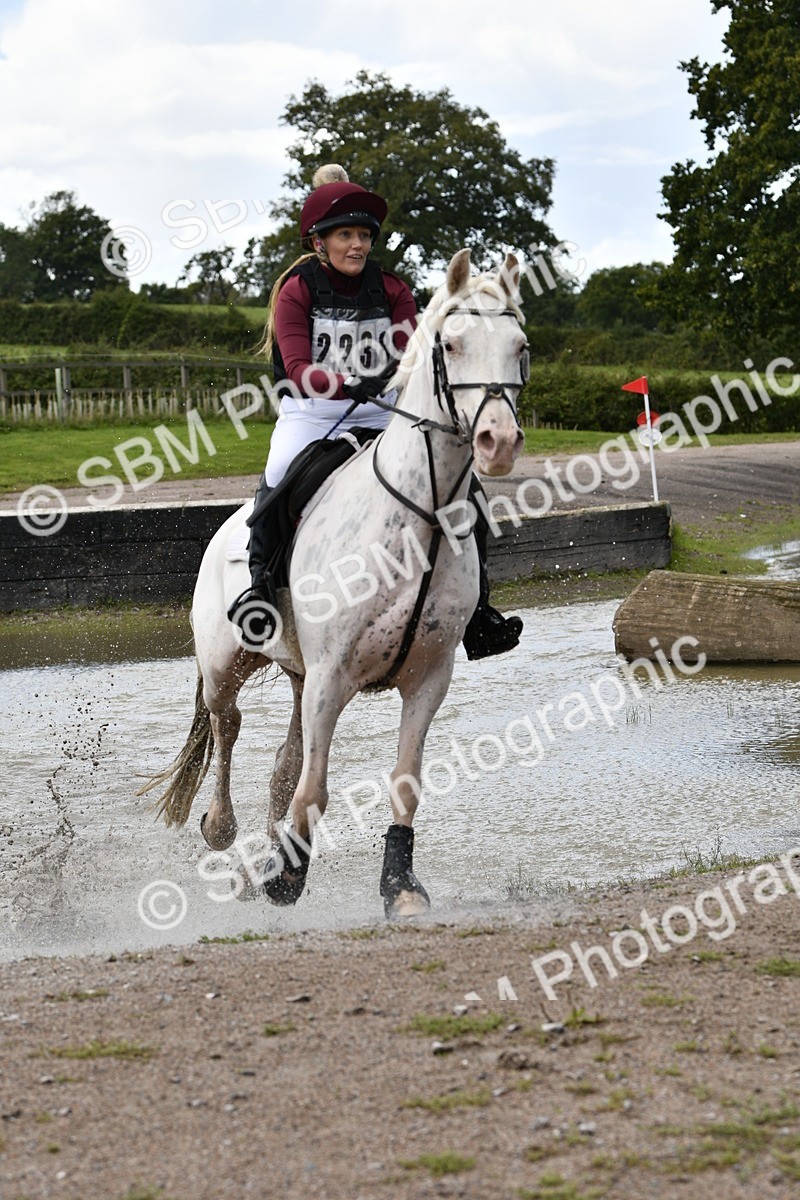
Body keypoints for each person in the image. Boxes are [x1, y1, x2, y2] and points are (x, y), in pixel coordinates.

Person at [227, 164, 522, 660]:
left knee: (466, 489)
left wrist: (393, 387)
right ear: (320, 242)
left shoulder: (391, 289)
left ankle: (478, 611)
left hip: (382, 410)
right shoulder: (297, 290)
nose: (357, 245)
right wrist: (344, 384)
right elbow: (297, 367)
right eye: (345, 235)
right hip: (313, 413)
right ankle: (261, 592)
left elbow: (417, 355)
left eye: (364, 235)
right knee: (279, 475)